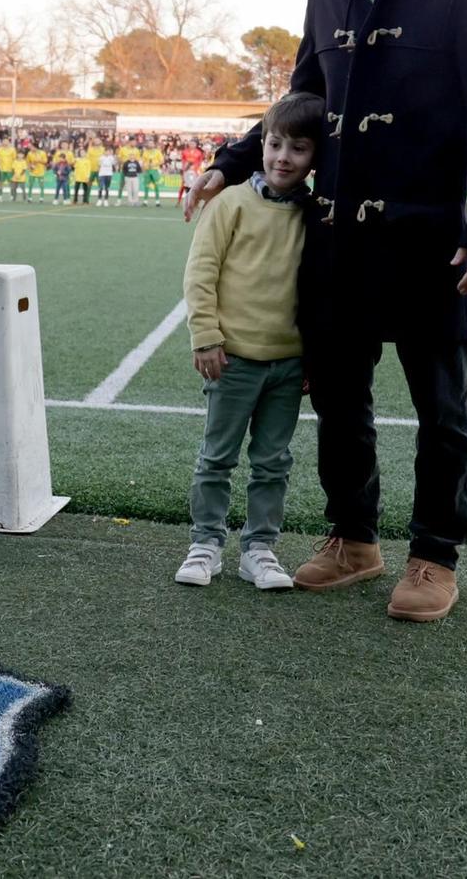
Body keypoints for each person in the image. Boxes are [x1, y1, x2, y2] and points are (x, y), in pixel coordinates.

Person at [186, 0, 467, 623]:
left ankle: (435, 554)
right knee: (339, 401)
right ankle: (355, 539)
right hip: (334, 245)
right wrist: (232, 161)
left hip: (431, 241)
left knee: (442, 409)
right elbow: (298, 101)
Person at [176, 92, 321, 592]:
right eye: (275, 144)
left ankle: (259, 549)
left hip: (288, 363)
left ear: (314, 156)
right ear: (262, 145)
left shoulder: (313, 214)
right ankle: (205, 543)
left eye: (298, 149)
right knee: (217, 457)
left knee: (273, 463)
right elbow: (201, 272)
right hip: (231, 359)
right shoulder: (232, 202)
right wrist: (205, 337)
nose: (283, 157)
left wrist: (312, 357)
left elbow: (319, 290)